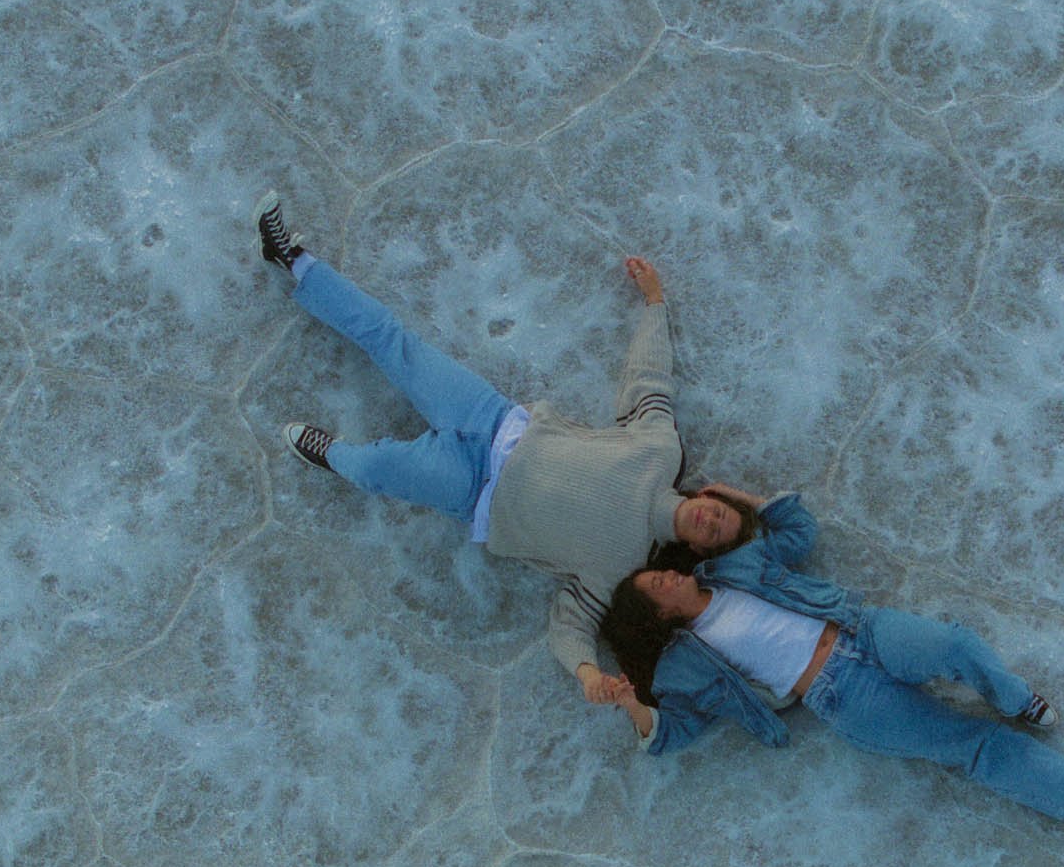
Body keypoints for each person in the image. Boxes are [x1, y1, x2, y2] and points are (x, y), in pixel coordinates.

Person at [255, 190, 759, 702]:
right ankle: (294, 259)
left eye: (716, 535)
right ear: (709, 496)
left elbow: (570, 627)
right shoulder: (660, 452)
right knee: (393, 339)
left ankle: (330, 454)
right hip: (493, 419)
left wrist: (588, 675)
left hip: (474, 491)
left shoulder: (624, 571)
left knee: (376, 467)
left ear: (699, 549)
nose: (711, 521)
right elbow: (650, 379)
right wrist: (654, 302)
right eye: (720, 513)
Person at [599, 492, 1064, 817]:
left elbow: (798, 530)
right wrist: (630, 705)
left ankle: (1016, 698)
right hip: (841, 696)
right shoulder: (682, 665)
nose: (667, 576)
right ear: (660, 615)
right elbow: (672, 731)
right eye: (657, 588)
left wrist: (741, 501)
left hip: (863, 630)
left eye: (659, 572)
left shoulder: (732, 567)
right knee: (965, 744)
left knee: (954, 643)